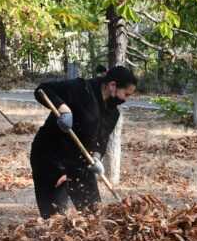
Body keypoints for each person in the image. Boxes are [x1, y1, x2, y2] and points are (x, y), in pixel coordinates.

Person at [30, 65, 137, 218]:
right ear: (113, 85)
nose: (126, 99)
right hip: (50, 159)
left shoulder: (113, 113)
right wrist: (64, 110)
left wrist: (96, 158)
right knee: (55, 219)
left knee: (94, 214)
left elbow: (102, 139)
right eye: (125, 94)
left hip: (80, 163)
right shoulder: (81, 88)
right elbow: (43, 89)